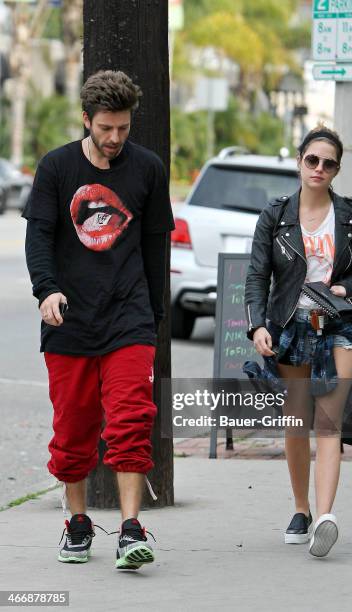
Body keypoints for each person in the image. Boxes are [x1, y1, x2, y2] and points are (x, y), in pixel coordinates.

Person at [23, 70, 175, 569]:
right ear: (86, 119)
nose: (115, 139)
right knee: (73, 432)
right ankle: (78, 523)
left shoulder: (147, 169)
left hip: (128, 317)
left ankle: (131, 528)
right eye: (106, 128)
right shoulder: (56, 167)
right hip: (69, 321)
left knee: (132, 419)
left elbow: (155, 245)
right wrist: (46, 291)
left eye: (124, 129)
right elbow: (38, 239)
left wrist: (154, 316)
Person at [244, 126, 352, 558]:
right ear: (300, 160)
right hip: (290, 325)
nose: (319, 168)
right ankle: (301, 509)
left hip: (339, 325)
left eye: (329, 163)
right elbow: (256, 276)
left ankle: (325, 516)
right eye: (312, 160)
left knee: (329, 419)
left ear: (337, 169)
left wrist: (345, 289)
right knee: (297, 419)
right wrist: (256, 326)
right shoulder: (276, 215)